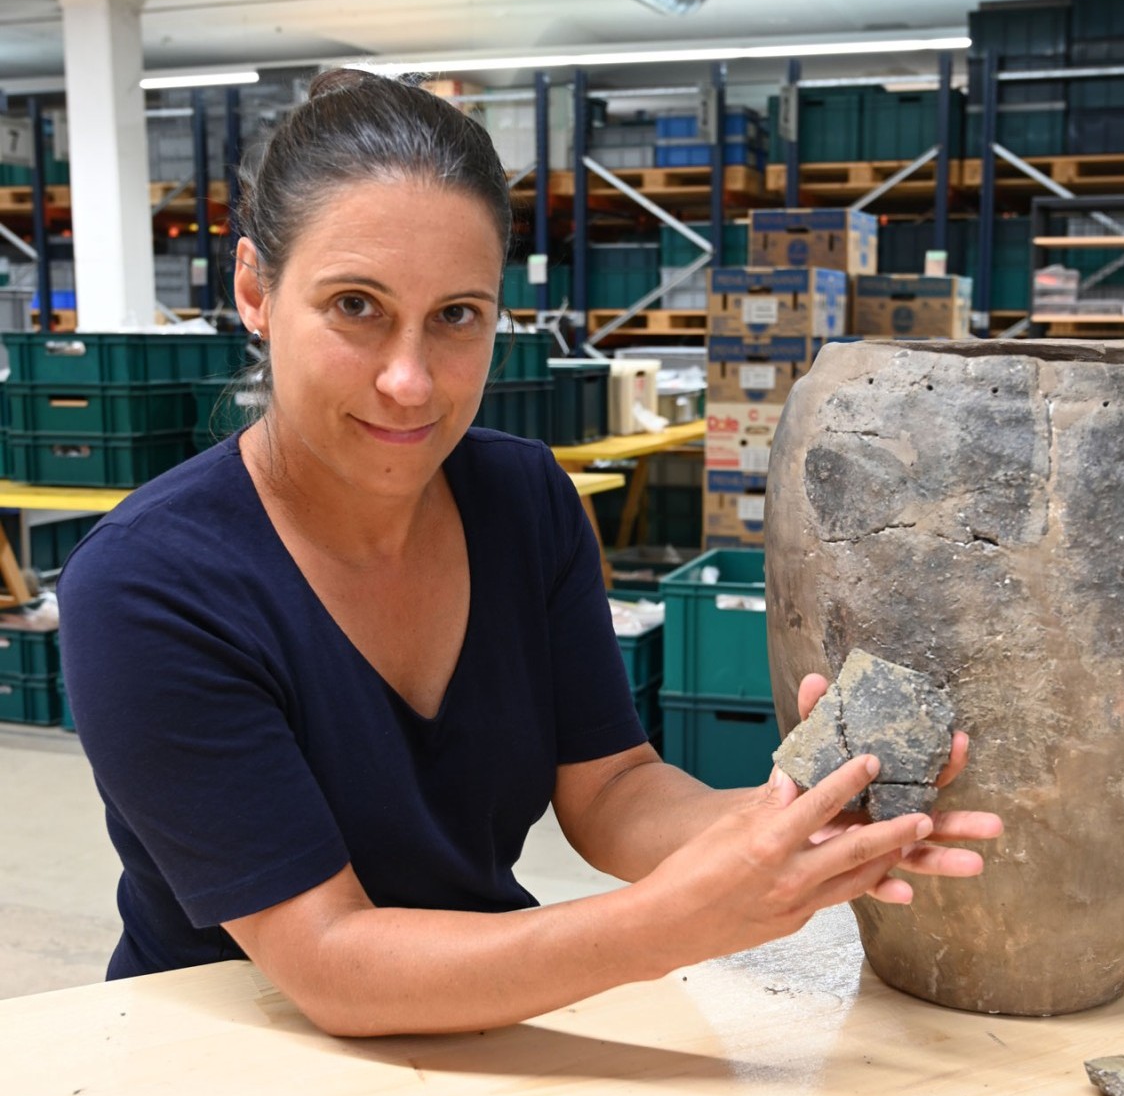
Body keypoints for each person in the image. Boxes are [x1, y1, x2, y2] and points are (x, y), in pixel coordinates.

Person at [58, 70, 1002, 1038]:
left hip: (482, 1013)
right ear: (255, 290)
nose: (409, 379)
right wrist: (668, 923)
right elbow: (330, 962)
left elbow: (611, 789)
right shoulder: (150, 586)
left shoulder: (522, 501)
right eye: (355, 305)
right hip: (230, 1048)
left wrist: (788, 822)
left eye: (456, 316)